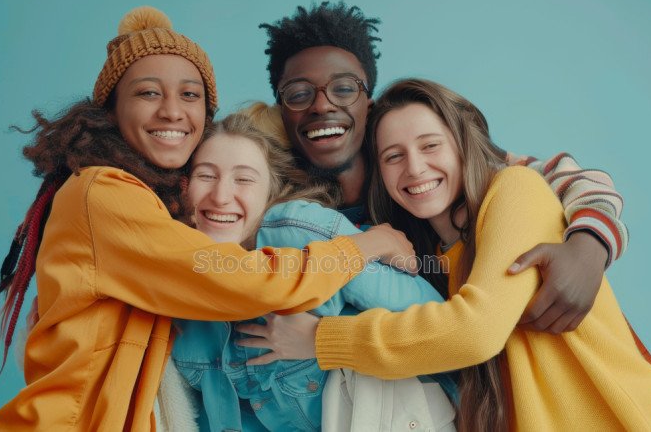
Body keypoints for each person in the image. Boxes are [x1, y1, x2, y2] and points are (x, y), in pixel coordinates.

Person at [0, 6, 416, 431]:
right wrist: (367, 245)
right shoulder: (104, 191)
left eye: (190, 94)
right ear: (110, 110)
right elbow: (241, 280)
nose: (172, 110)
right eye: (148, 92)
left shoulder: (166, 214)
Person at [239, 79, 651, 431]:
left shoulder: (513, 191)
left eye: (431, 145)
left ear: (463, 146)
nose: (415, 168)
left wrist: (322, 340)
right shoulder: (434, 257)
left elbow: (473, 333)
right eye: (393, 156)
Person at [260, 1, 626, 329]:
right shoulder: (288, 207)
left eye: (343, 89)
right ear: (282, 111)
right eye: (298, 94)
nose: (322, 105)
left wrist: (589, 246)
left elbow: (560, 176)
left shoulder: (416, 168)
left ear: (367, 105)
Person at [169, 111, 455, 431]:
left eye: (244, 179)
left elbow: (444, 334)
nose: (221, 197)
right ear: (184, 188)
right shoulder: (177, 292)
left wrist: (325, 339)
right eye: (206, 176)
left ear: (270, 193)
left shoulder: (298, 233)